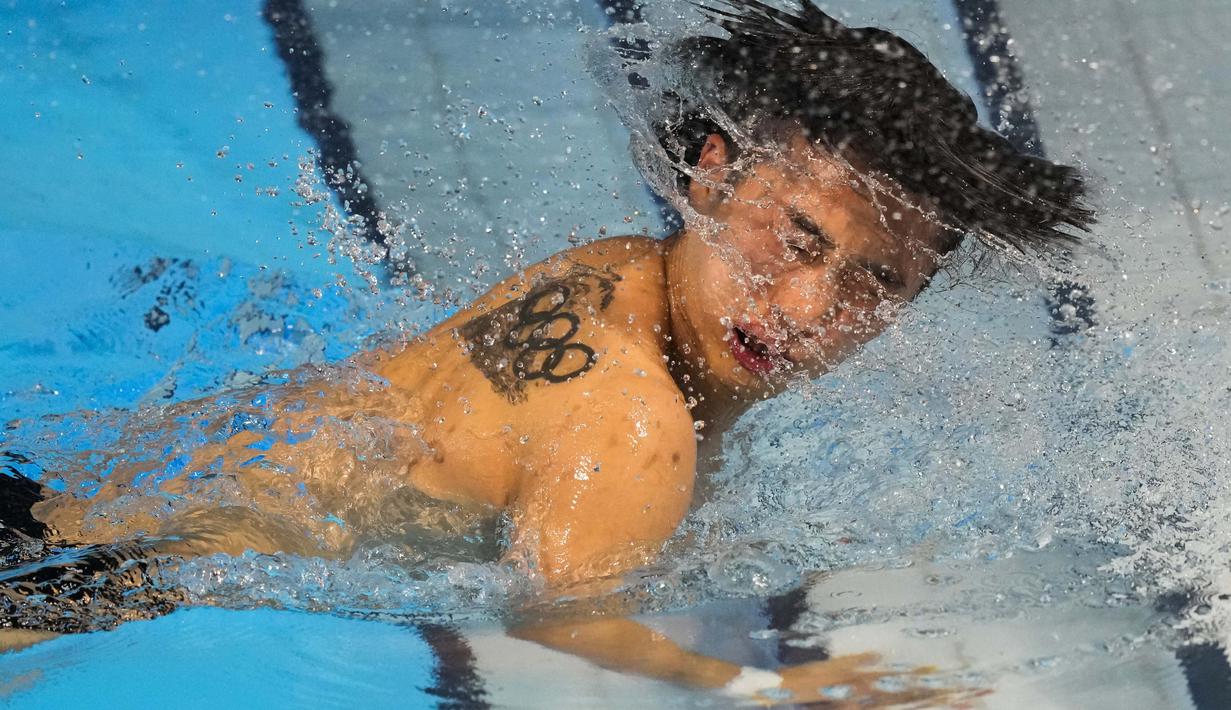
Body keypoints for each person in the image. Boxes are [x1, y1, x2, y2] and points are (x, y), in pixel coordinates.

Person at [5, 0, 1093, 703]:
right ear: (710, 173)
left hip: (63, 496)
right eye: (797, 240)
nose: (809, 302)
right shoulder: (636, 428)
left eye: (874, 282)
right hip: (106, 585)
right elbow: (562, 613)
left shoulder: (620, 269)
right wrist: (771, 687)